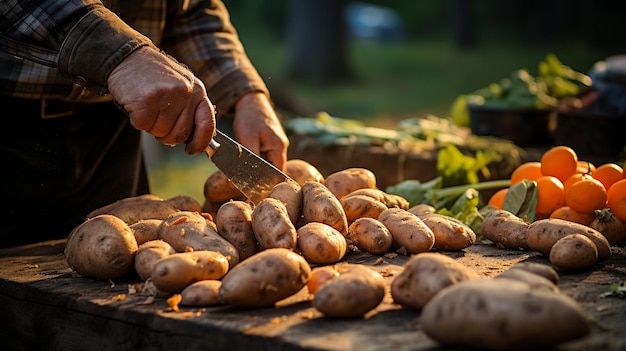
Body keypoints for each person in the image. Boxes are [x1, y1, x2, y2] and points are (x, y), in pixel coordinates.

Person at [0, 0, 290, 248]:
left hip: (110, 129)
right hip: (10, 125)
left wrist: (247, 94)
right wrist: (121, 55)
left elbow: (194, 9)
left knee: (113, 277)